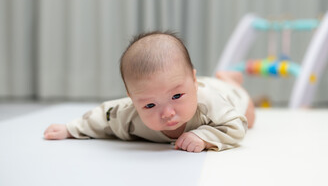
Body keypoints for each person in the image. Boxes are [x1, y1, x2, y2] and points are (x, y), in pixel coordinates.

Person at [44, 31, 255, 152]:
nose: (168, 113)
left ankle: (229, 80)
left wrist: (204, 137)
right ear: (132, 100)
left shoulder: (208, 103)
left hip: (225, 93)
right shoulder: (128, 115)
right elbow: (103, 116)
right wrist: (70, 129)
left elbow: (237, 125)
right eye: (150, 105)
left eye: (176, 96)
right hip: (195, 85)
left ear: (192, 79)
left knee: (250, 117)